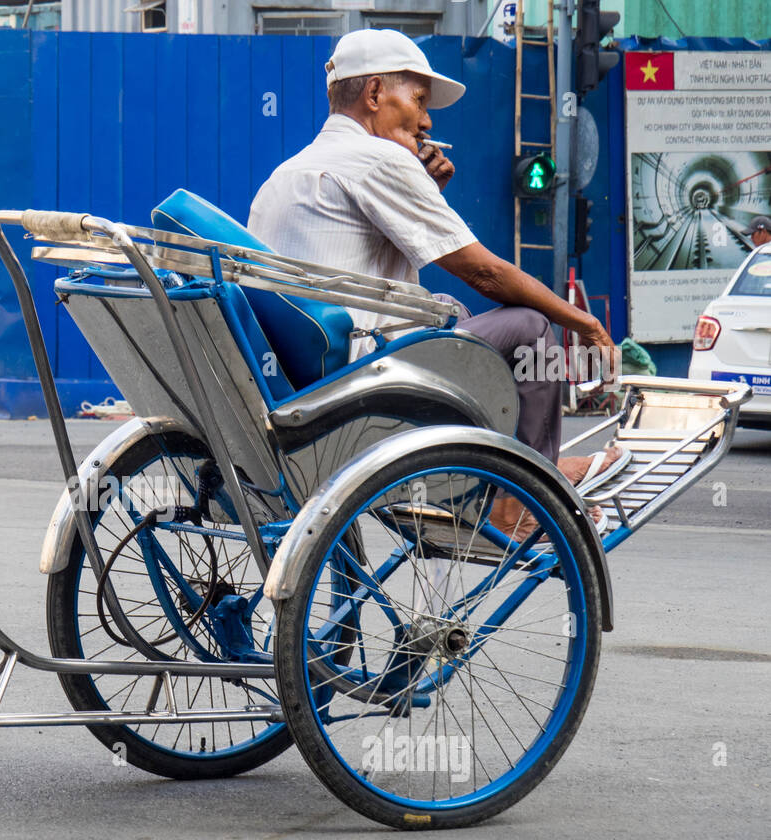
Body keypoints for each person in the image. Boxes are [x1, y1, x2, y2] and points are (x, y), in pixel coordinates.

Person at [246, 28, 622, 533]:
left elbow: (370, 263)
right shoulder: (379, 159)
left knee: (445, 305)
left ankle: (507, 477)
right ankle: (520, 498)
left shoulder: (289, 173)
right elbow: (486, 273)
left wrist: (429, 192)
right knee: (533, 328)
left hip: (304, 383)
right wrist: (585, 323)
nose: (426, 121)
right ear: (376, 94)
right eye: (419, 101)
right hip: (362, 382)